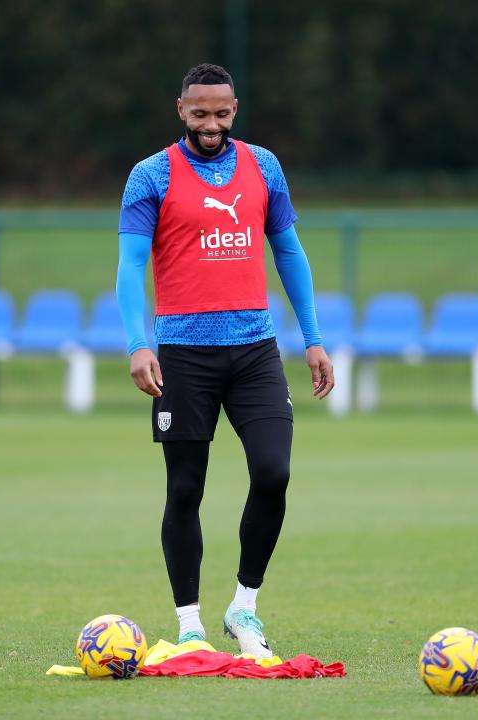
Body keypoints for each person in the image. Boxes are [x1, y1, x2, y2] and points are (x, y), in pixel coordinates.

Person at [116, 63, 333, 659]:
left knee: (274, 472)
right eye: (199, 112)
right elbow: (131, 267)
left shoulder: (264, 166)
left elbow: (288, 251)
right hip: (183, 356)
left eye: (221, 113)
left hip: (256, 350)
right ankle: (190, 625)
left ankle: (245, 606)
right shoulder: (150, 176)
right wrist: (139, 343)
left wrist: (312, 336)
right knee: (185, 490)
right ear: (180, 110)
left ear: (234, 109)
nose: (210, 123)